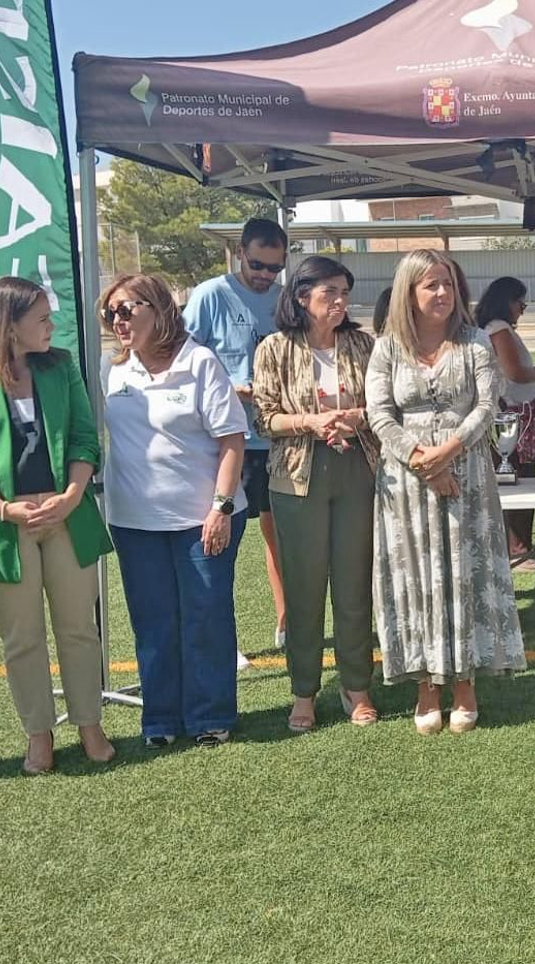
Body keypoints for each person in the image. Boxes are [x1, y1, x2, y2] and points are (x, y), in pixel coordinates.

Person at [0, 277, 116, 774]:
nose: (51, 326)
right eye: (41, 318)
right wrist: (1, 508)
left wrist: (73, 495)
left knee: (79, 628)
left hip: (67, 514)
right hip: (5, 526)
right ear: (8, 325)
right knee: (22, 637)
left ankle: (89, 724)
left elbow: (85, 437)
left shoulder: (60, 367)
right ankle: (38, 734)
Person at [366, 249, 527, 734]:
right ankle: (425, 686)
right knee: (417, 577)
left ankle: (465, 684)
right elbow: (378, 412)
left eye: (448, 285)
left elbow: (485, 406)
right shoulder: (388, 346)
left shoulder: (475, 341)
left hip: (469, 477)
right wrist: (422, 461)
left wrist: (448, 451)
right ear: (408, 292)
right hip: (406, 481)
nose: (442, 294)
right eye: (431, 285)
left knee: (462, 575)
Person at [99, 273, 250, 749]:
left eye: (128, 309)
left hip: (202, 517)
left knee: (205, 617)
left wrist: (221, 509)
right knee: (152, 620)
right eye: (112, 313)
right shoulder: (113, 369)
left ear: (160, 310)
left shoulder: (199, 362)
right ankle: (160, 718)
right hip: (134, 522)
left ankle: (210, 715)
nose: (118, 320)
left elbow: (231, 440)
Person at [252, 256, 383, 732]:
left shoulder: (363, 344)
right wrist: (310, 421)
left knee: (353, 586)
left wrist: (355, 417)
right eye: (330, 292)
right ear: (302, 296)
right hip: (295, 477)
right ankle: (303, 692)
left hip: (357, 470)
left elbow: (385, 405)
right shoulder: (274, 348)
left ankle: (357, 686)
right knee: (304, 591)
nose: (340, 301)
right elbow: (264, 417)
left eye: (344, 292)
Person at [184, 217, 288, 663]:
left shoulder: (285, 301)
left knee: (281, 539)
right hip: (229, 445)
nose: (266, 275)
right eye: (259, 264)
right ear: (240, 253)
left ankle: (289, 622)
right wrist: (231, 388)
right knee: (220, 542)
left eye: (275, 268)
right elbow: (185, 360)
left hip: (279, 440)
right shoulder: (209, 295)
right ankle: (224, 639)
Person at [476, 277, 535, 570]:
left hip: (514, 410)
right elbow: (514, 372)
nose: (523, 308)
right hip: (514, 414)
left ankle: (519, 547)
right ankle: (517, 550)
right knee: (518, 477)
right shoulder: (499, 329)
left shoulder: (493, 328)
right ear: (505, 300)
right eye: (519, 302)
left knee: (517, 474)